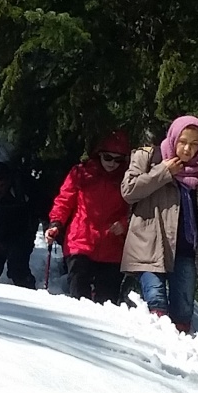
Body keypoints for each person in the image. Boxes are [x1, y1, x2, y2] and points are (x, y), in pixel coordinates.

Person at [120, 116, 198, 334]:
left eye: (195, 143)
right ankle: (153, 350)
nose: (187, 148)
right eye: (183, 141)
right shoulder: (148, 157)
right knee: (156, 301)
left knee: (183, 313)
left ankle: (179, 357)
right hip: (149, 246)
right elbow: (128, 191)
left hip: (186, 250)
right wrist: (163, 172)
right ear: (173, 138)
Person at [45, 130, 132, 303]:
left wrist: (124, 224)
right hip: (80, 242)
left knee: (107, 303)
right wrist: (56, 223)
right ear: (98, 154)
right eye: (108, 157)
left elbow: (136, 210)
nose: (113, 163)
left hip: (112, 248)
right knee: (79, 298)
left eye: (118, 159)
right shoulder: (80, 173)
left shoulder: (128, 179)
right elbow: (64, 201)